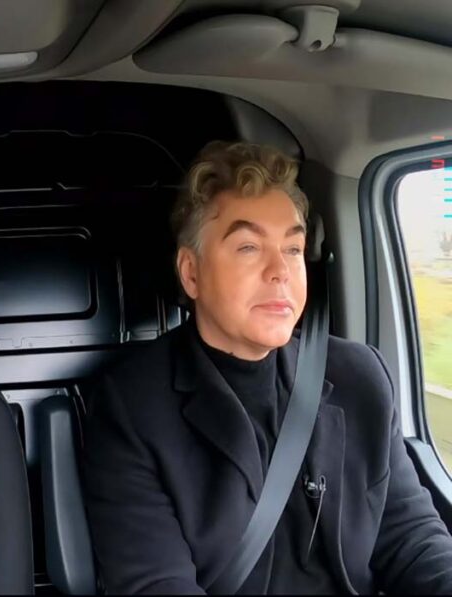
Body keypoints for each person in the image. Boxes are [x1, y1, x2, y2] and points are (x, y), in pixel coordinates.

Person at [82, 141, 452, 594]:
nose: (280, 270)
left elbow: (412, 541)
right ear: (191, 272)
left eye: (293, 249)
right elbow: (156, 585)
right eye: (248, 247)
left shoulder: (361, 377)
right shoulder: (131, 407)